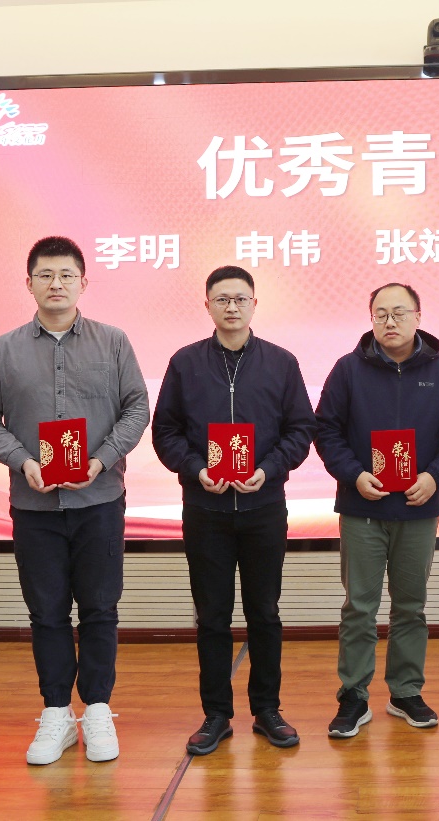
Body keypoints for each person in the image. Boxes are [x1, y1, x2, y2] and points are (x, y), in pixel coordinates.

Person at [0, 236, 149, 765]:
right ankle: (56, 713)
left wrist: (102, 459)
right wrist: (23, 460)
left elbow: (137, 407)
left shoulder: (113, 341)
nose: (56, 284)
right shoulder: (3, 349)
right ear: (28, 283)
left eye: (67, 275)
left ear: (83, 282)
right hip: (35, 507)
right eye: (45, 275)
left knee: (99, 609)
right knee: (46, 613)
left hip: (100, 500)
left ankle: (97, 709)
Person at [153, 265, 316, 756]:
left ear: (254, 304)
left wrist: (268, 469)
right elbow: (165, 432)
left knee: (265, 612)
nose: (231, 306)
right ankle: (216, 715)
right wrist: (196, 468)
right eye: (222, 298)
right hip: (206, 508)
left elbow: (300, 430)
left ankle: (267, 710)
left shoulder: (281, 363)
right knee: (212, 617)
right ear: (207, 305)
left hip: (264, 506)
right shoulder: (185, 363)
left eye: (240, 298)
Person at [314, 282, 439, 738]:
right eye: (381, 313)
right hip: (362, 508)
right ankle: (353, 695)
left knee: (410, 606)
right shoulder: (348, 370)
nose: (390, 321)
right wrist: (354, 475)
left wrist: (435, 477)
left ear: (418, 317)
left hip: (418, 509)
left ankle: (405, 691)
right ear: (371, 319)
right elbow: (325, 430)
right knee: (359, 607)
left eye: (400, 313)